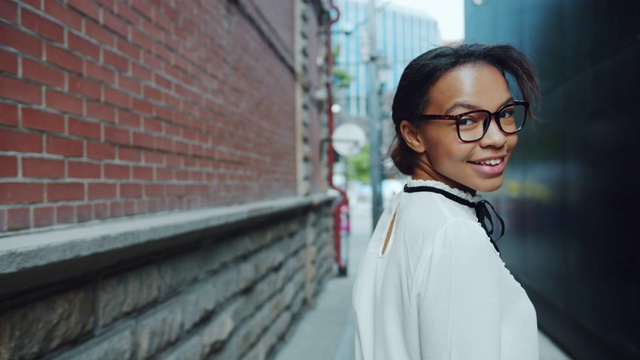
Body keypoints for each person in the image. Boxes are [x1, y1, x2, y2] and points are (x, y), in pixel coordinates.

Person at [352, 43, 540, 360]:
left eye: (505, 114)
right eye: (466, 120)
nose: (496, 138)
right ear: (413, 135)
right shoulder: (454, 234)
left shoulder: (406, 209)